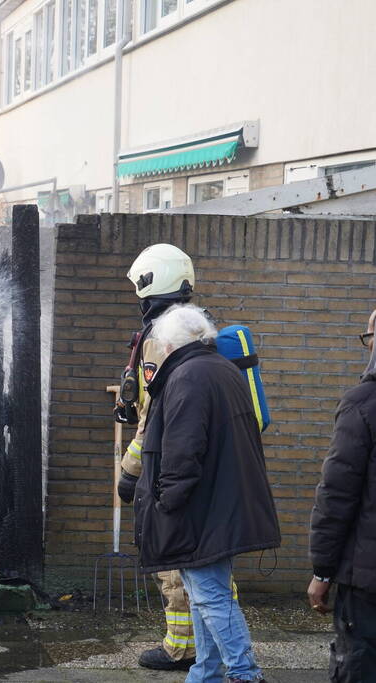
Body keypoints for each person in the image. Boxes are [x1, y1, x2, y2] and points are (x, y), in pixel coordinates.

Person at [135, 305, 280, 683]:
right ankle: (205, 673)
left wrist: (166, 502)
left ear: (170, 345)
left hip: (200, 511)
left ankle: (245, 673)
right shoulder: (219, 369)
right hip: (222, 504)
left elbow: (182, 451)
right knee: (204, 596)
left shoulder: (188, 376)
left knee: (212, 596)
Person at [114, 243, 199, 671]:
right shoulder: (198, 329)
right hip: (201, 464)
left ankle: (182, 647)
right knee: (207, 563)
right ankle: (214, 640)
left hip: (167, 466)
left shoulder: (160, 340)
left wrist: (130, 470)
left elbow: (154, 418)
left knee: (173, 560)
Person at [308, 307, 376, 681]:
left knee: (359, 663)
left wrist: (322, 571)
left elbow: (337, 495)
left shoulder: (362, 404)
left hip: (367, 580)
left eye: (369, 337)